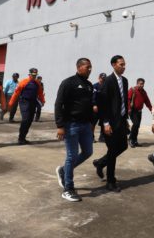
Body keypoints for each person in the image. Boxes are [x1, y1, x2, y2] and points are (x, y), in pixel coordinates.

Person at [54, 58, 95, 202]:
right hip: (71, 125)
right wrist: (60, 126)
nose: (90, 69)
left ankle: (63, 170)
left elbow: (89, 106)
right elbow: (59, 104)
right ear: (79, 67)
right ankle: (68, 189)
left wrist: (91, 123)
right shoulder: (68, 83)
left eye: (91, 67)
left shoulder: (89, 85)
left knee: (88, 152)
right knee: (71, 156)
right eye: (87, 67)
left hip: (85, 125)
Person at [93, 55, 129, 192]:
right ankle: (110, 181)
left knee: (123, 146)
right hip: (110, 122)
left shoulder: (124, 81)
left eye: (124, 64)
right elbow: (103, 104)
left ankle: (100, 162)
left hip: (120, 121)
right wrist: (106, 123)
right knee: (113, 151)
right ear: (113, 65)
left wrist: (126, 120)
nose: (123, 67)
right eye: (121, 64)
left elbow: (123, 101)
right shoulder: (107, 81)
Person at [9, 68, 45, 145]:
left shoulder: (37, 83)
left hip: (33, 102)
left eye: (35, 75)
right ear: (29, 74)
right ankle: (20, 138)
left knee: (30, 120)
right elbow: (16, 93)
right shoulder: (23, 82)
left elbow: (40, 93)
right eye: (33, 75)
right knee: (25, 119)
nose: (34, 77)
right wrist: (11, 103)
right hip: (24, 102)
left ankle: (23, 137)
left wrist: (42, 101)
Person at [127, 78, 152, 147]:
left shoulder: (143, 92)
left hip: (139, 112)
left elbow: (147, 101)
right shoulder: (132, 90)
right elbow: (128, 100)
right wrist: (128, 109)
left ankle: (135, 140)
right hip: (132, 111)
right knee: (135, 124)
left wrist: (151, 109)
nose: (141, 85)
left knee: (137, 126)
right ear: (137, 83)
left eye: (142, 84)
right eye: (140, 84)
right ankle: (130, 139)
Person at [91, 73, 106, 143]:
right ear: (99, 78)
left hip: (103, 108)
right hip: (96, 108)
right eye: (102, 78)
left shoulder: (106, 86)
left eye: (104, 79)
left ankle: (102, 137)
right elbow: (93, 96)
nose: (103, 80)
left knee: (103, 123)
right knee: (93, 123)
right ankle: (91, 137)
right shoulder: (95, 86)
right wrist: (94, 105)